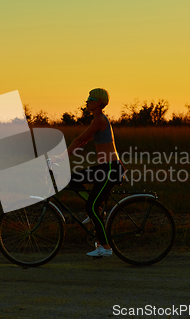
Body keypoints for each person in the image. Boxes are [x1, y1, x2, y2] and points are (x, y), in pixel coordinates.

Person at [53, 88, 125, 257]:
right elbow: (84, 140)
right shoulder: (98, 120)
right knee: (74, 180)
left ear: (98, 102)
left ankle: (106, 248)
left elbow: (79, 139)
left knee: (90, 207)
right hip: (105, 168)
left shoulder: (100, 119)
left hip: (110, 168)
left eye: (90, 99)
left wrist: (61, 158)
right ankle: (99, 209)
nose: (87, 101)